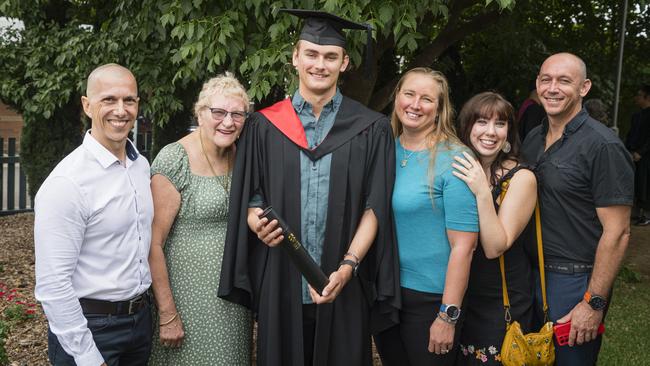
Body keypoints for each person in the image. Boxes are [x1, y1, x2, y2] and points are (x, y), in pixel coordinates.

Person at [218, 9, 399, 366]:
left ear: (344, 63)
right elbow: (250, 197)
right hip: (280, 282)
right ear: (295, 57)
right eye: (312, 54)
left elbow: (374, 207)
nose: (320, 64)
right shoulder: (263, 126)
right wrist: (257, 223)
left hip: (344, 281)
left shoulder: (371, 128)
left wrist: (348, 267)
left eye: (330, 56)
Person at [34, 63, 153, 366]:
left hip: (139, 324)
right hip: (91, 330)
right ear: (87, 105)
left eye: (129, 100)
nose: (121, 110)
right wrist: (87, 356)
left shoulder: (141, 166)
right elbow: (53, 284)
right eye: (108, 100)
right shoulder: (68, 183)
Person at [521, 53, 634, 365]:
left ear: (584, 88)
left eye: (564, 81)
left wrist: (593, 302)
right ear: (537, 84)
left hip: (574, 282)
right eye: (546, 79)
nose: (552, 88)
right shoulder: (533, 137)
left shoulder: (603, 146)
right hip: (529, 276)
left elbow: (619, 231)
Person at [373, 67, 479, 366]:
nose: (415, 105)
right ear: (397, 98)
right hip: (388, 292)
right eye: (409, 94)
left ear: (440, 109)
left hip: (432, 300)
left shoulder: (454, 159)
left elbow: (465, 247)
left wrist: (447, 315)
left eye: (426, 99)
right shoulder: (384, 151)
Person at [147, 73, 253, 364]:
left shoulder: (242, 155)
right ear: (200, 113)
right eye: (218, 112)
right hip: (186, 299)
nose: (228, 122)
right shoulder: (175, 159)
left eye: (237, 114)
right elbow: (152, 243)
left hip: (232, 303)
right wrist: (167, 313)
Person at [451, 92, 537, 364]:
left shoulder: (521, 178)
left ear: (509, 133)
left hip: (501, 304)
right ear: (467, 127)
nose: (491, 132)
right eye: (482, 122)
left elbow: (495, 246)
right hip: (461, 297)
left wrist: (482, 192)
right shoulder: (457, 169)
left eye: (500, 124)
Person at [625, 84, 650, 225]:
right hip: (633, 154)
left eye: (639, 95)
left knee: (645, 184)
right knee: (634, 183)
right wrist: (627, 150)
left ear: (647, 97)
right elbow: (631, 134)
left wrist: (641, 152)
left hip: (646, 156)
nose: (637, 98)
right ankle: (635, 212)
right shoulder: (636, 115)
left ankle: (646, 214)